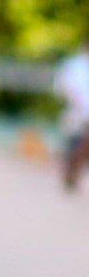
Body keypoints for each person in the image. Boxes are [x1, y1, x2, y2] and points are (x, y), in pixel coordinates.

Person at [54, 39, 89, 189]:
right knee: (75, 143)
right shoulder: (74, 65)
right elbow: (64, 87)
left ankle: (72, 174)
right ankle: (70, 174)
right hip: (76, 111)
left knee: (81, 144)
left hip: (81, 111)